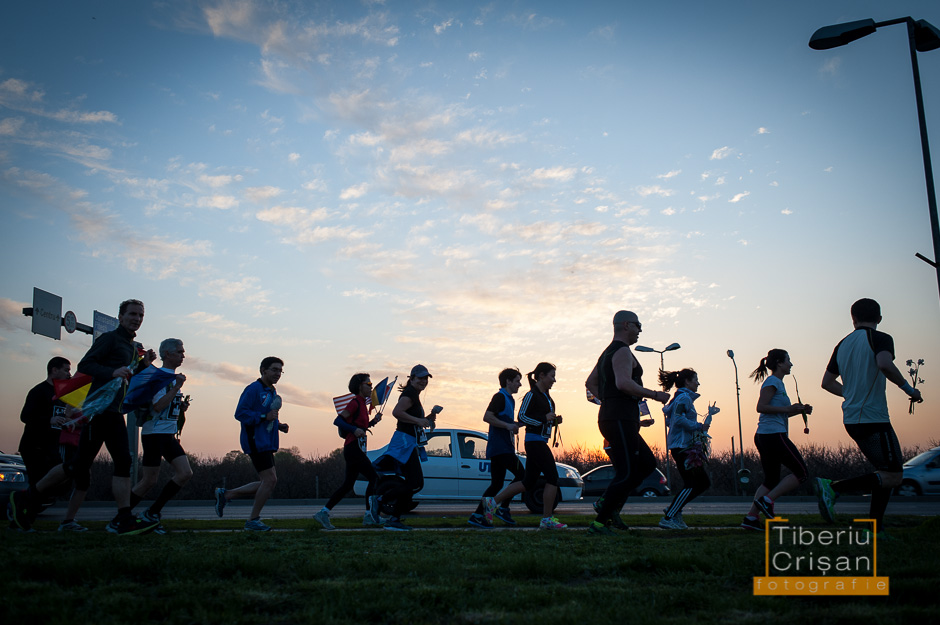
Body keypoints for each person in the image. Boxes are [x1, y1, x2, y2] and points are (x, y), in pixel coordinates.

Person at [9, 299, 160, 535]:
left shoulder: (130, 347)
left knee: (88, 464)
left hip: (112, 411)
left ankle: (27, 497)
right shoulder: (109, 339)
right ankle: (122, 517)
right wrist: (111, 371)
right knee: (103, 462)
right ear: (120, 317)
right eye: (132, 314)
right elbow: (86, 364)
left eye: (141, 315)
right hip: (99, 411)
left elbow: (124, 376)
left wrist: (142, 366)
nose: (137, 318)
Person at [818, 298, 924, 533]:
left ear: (853, 318)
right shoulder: (881, 338)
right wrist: (909, 389)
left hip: (852, 419)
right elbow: (884, 364)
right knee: (895, 476)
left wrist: (851, 393)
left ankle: (876, 527)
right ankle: (834, 488)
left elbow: (826, 383)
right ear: (879, 318)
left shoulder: (842, 344)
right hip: (873, 419)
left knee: (884, 473)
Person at [585, 311, 669, 536]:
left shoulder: (607, 353)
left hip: (615, 416)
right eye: (638, 325)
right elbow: (623, 383)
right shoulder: (622, 350)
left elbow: (590, 382)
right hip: (619, 417)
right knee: (630, 472)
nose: (640, 329)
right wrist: (654, 394)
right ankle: (601, 520)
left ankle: (609, 507)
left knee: (645, 464)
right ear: (626, 325)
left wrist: (608, 400)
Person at [740, 349, 814, 531]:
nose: (791, 364)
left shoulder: (778, 383)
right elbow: (761, 407)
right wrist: (789, 408)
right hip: (772, 435)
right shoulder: (773, 382)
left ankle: (751, 518)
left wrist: (799, 410)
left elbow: (780, 413)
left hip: (767, 435)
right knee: (802, 473)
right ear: (780, 363)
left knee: (771, 480)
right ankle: (767, 500)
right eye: (789, 360)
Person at [486, 362, 566, 530]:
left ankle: (493, 502)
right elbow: (522, 417)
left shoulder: (546, 397)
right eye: (552, 376)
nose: (554, 380)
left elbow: (540, 419)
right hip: (534, 441)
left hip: (540, 440)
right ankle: (547, 519)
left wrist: (553, 421)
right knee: (552, 477)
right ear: (542, 376)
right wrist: (544, 418)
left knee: (528, 481)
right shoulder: (532, 394)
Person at [12, 357, 88, 532]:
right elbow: (25, 416)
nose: (69, 374)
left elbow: (67, 416)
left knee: (56, 483)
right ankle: (21, 520)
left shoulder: (64, 395)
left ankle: (20, 508)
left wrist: (71, 422)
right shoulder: (39, 391)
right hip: (34, 445)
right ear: (54, 370)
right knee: (39, 484)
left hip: (53, 446)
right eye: (66, 370)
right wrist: (49, 419)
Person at [214, 357, 289, 531]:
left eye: (280, 371)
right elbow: (240, 413)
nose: (278, 374)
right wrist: (264, 417)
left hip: (267, 441)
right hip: (255, 441)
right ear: (263, 370)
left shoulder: (271, 391)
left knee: (267, 481)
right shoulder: (253, 389)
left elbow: (268, 416)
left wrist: (279, 425)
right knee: (270, 480)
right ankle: (253, 520)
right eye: (274, 370)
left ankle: (227, 494)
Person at [128, 338, 192, 534]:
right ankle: (122, 516)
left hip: (167, 434)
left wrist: (180, 407)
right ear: (168, 354)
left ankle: (152, 512)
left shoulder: (173, 377)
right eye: (180, 352)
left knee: (185, 473)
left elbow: (166, 406)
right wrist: (175, 388)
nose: (183, 355)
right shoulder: (160, 377)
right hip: (154, 434)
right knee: (149, 480)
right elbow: (157, 406)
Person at [314, 373, 383, 530]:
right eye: (368, 383)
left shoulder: (362, 405)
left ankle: (323, 513)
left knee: (347, 485)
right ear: (360, 386)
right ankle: (369, 516)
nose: (371, 386)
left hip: (356, 448)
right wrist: (353, 429)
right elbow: (338, 420)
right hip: (353, 448)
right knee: (374, 477)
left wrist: (373, 422)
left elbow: (361, 427)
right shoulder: (354, 403)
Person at [374, 364, 437, 531]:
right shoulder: (409, 393)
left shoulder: (414, 394)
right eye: (420, 378)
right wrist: (418, 420)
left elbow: (410, 418)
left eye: (426, 378)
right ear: (412, 378)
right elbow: (397, 412)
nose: (423, 381)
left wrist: (429, 418)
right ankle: (384, 505)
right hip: (404, 442)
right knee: (415, 483)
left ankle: (392, 514)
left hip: (409, 442)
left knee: (413, 483)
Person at [658, 368, 718, 530]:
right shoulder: (684, 398)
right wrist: (699, 426)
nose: (698, 383)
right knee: (695, 483)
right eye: (695, 379)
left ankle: (674, 510)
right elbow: (677, 420)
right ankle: (670, 515)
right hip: (683, 448)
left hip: (684, 446)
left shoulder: (681, 399)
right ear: (687, 382)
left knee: (699, 482)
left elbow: (671, 421)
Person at [468, 368, 523, 529]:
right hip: (500, 447)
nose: (520, 384)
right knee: (523, 476)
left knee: (496, 484)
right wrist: (507, 425)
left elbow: (506, 422)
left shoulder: (509, 399)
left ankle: (478, 515)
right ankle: (503, 508)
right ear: (508, 381)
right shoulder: (500, 397)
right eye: (517, 381)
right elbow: (487, 417)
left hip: (502, 447)